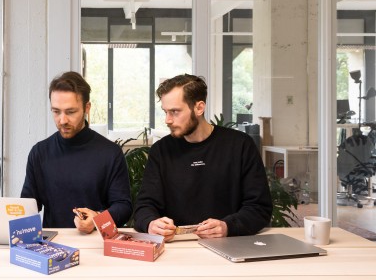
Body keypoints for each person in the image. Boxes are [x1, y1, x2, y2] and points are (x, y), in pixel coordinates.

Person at [133, 74, 272, 240]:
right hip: (176, 247)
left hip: (230, 244)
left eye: (175, 112)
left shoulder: (240, 145)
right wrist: (151, 223)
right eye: (165, 112)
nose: (167, 120)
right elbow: (143, 207)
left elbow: (259, 208)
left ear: (199, 108)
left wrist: (228, 226)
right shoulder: (160, 151)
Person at [21, 71, 132, 233]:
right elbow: (28, 205)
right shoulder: (39, 152)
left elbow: (124, 207)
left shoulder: (110, 153)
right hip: (53, 245)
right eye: (56, 111)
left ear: (87, 107)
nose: (62, 120)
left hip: (97, 244)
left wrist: (98, 219)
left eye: (70, 112)